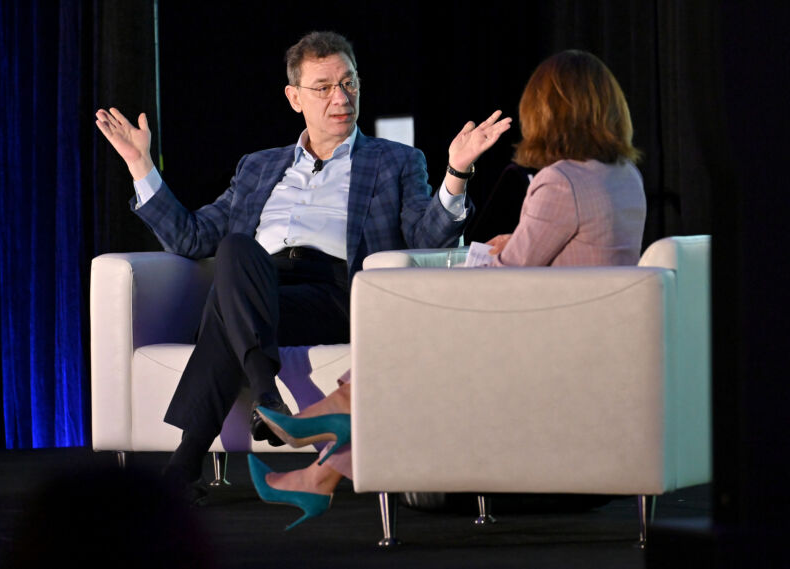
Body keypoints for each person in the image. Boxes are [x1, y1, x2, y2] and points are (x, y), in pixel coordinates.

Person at [95, 30, 510, 505]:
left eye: (349, 83)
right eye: (324, 87)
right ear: (295, 98)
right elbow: (191, 237)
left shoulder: (394, 161)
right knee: (235, 251)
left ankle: (189, 460)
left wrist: (457, 173)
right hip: (258, 284)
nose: (341, 98)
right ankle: (265, 398)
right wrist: (140, 165)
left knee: (228, 307)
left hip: (333, 292)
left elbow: (427, 238)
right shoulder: (257, 167)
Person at [247, 48, 647, 529]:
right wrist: (513, 243)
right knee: (414, 342)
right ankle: (318, 473)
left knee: (412, 333)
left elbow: (508, 278)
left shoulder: (560, 181)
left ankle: (329, 417)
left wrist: (494, 252)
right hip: (586, 335)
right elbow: (574, 252)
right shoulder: (623, 176)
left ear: (548, 112)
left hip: (545, 345)